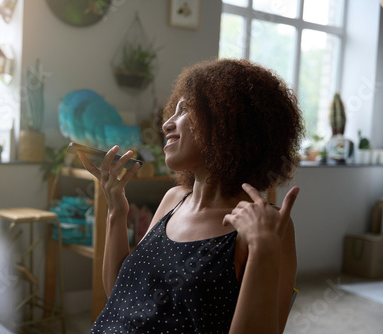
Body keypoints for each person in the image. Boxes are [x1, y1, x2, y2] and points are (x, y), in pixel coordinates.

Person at [77, 58, 304, 333]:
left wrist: (264, 251)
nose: (166, 124)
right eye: (174, 110)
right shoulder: (173, 200)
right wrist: (116, 211)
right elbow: (121, 299)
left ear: (228, 122)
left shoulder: (264, 224)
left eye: (185, 111)